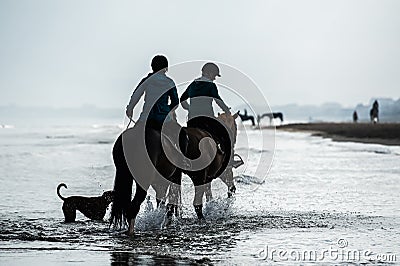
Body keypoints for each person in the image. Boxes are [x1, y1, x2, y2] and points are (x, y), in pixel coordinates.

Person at [126, 55, 179, 131]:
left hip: (146, 118)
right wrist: (167, 110)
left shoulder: (146, 81)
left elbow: (135, 96)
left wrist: (130, 109)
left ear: (152, 66)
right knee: (182, 136)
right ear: (166, 67)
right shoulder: (169, 82)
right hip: (164, 119)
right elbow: (176, 102)